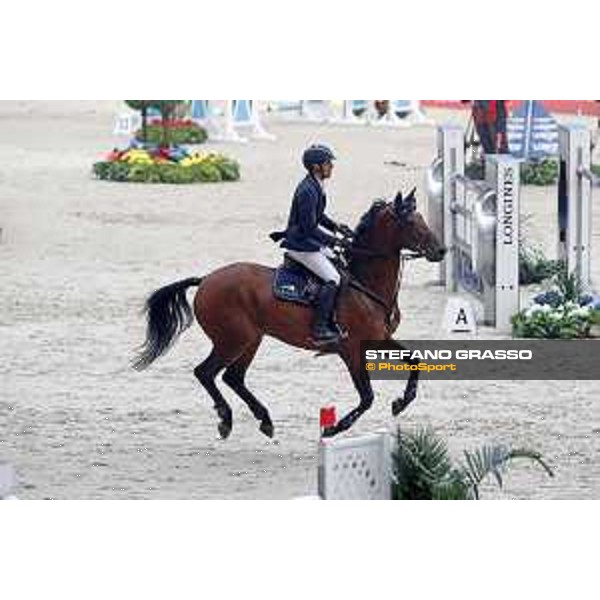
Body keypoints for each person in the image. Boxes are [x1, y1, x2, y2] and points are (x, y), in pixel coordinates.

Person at [270, 144, 352, 345]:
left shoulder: (315, 184)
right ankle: (319, 329)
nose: (331, 166)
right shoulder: (308, 190)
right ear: (316, 167)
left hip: (309, 241)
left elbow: (318, 216)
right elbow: (309, 228)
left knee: (340, 264)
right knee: (333, 278)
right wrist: (335, 241)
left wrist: (337, 227)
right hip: (301, 245)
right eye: (328, 163)